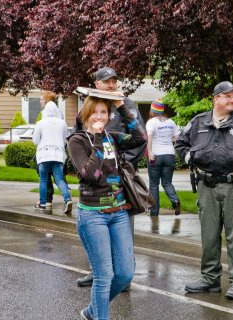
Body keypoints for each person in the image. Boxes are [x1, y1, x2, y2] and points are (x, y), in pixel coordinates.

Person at [175, 81, 233, 300]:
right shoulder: (198, 122)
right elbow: (181, 144)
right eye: (228, 96)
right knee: (209, 236)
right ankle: (210, 280)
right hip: (205, 186)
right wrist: (191, 157)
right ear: (216, 99)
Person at [67, 95, 146, 320]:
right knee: (104, 276)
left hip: (119, 212)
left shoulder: (114, 137)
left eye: (104, 112)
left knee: (124, 274)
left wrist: (122, 108)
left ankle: (92, 311)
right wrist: (99, 138)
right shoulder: (77, 141)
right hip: (93, 216)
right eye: (95, 112)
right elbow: (90, 174)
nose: (100, 117)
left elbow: (140, 137)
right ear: (85, 115)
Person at [76, 67, 147, 288]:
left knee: (122, 230)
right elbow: (80, 138)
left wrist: (119, 160)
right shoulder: (87, 107)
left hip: (119, 182)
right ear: (96, 84)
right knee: (96, 230)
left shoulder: (125, 105)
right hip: (94, 180)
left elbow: (139, 138)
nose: (111, 85)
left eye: (114, 81)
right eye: (106, 81)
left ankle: (123, 276)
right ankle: (97, 271)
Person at [33, 97, 72, 214]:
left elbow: (35, 140)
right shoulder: (62, 123)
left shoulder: (41, 123)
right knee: (59, 179)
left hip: (44, 156)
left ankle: (43, 203)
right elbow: (66, 140)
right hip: (58, 155)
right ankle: (68, 199)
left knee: (43, 179)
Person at [146, 98, 181, 216]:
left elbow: (150, 137)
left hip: (156, 155)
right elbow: (177, 138)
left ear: (152, 110)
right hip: (169, 155)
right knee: (167, 183)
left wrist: (150, 152)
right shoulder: (171, 122)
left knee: (154, 184)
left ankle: (154, 211)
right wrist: (168, 140)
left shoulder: (151, 122)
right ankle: (175, 201)